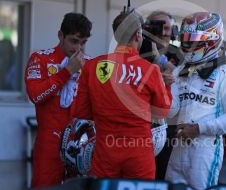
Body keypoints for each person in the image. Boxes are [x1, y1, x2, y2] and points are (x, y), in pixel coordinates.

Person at [71, 10, 172, 179]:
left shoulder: (92, 66)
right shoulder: (151, 70)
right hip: (139, 153)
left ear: (116, 36)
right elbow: (162, 112)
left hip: (105, 151)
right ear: (138, 35)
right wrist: (166, 86)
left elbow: (81, 111)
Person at [165, 12, 226, 189]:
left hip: (205, 150)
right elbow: (171, 110)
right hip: (178, 146)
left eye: (193, 41)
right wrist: (163, 87)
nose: (188, 45)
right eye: (185, 40)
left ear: (211, 41)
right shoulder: (181, 70)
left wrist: (199, 129)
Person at [25, 12, 92, 188]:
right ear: (60, 35)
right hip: (49, 143)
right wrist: (67, 71)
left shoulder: (91, 65)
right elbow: (35, 95)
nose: (78, 48)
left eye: (83, 42)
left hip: (80, 143)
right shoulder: (40, 58)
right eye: (74, 41)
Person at [143, 11, 181, 180]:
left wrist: (161, 61)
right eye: (159, 27)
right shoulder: (138, 50)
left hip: (168, 126)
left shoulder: (178, 53)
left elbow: (184, 76)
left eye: (168, 28)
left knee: (162, 175)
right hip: (141, 125)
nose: (164, 32)